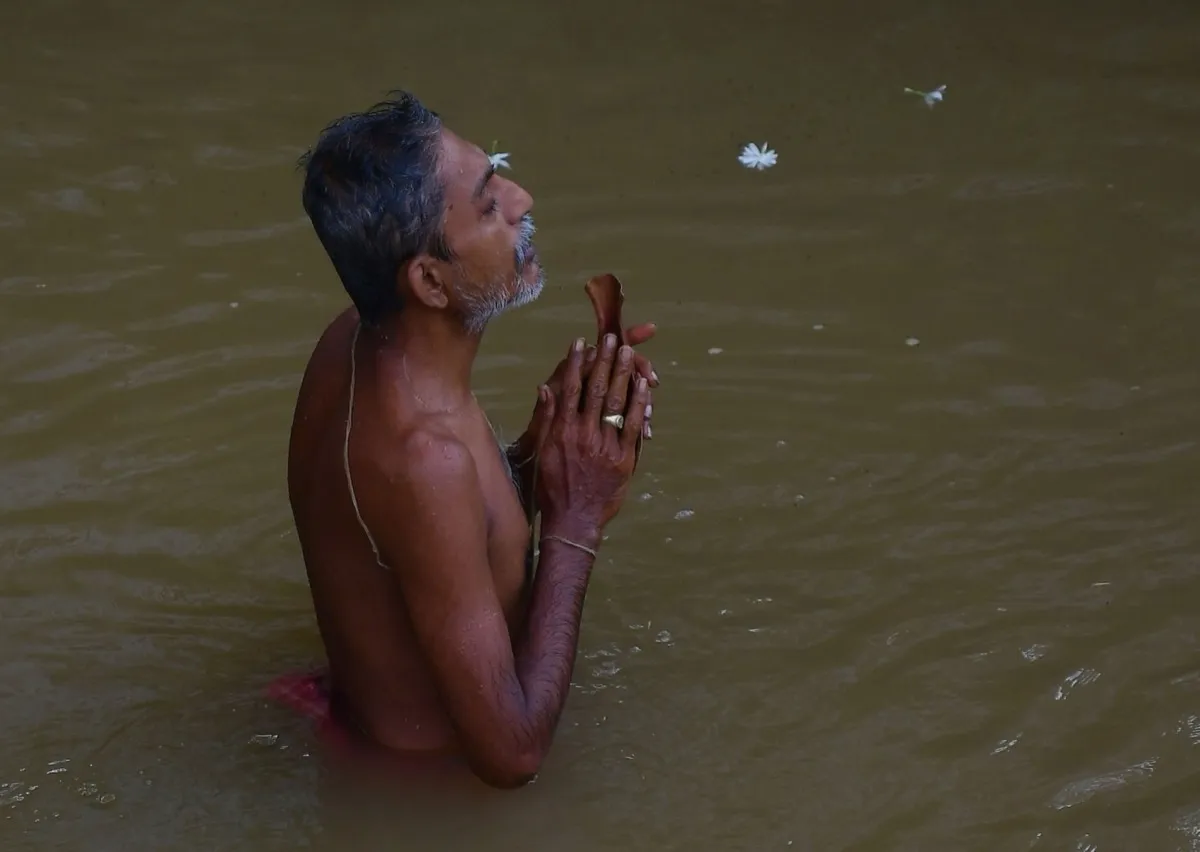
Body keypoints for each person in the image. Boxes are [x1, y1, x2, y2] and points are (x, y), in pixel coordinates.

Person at [278, 90, 659, 790]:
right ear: (428, 280)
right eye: (487, 205)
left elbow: (431, 537)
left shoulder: (355, 342)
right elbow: (511, 755)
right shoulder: (426, 458)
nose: (521, 198)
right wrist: (576, 519)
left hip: (359, 722)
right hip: (420, 789)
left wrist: (539, 456)